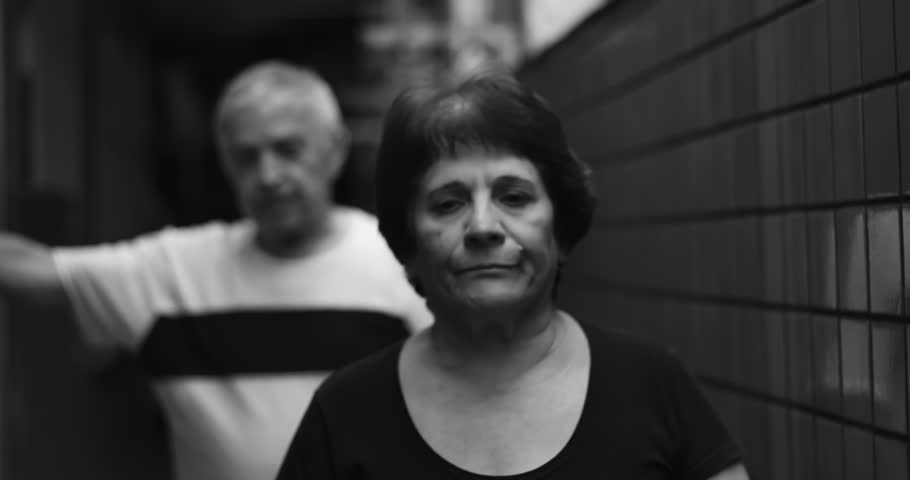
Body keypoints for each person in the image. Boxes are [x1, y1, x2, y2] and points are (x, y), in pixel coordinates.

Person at [276, 71, 749, 479]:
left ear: (560, 230)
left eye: (514, 197)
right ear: (410, 245)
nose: (482, 227)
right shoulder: (344, 415)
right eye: (449, 203)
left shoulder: (652, 387)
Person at [0, 61, 432, 480]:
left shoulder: (405, 264)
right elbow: (32, 270)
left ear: (335, 149)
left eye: (288, 149)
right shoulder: (175, 271)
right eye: (246, 158)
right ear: (226, 165)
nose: (268, 175)